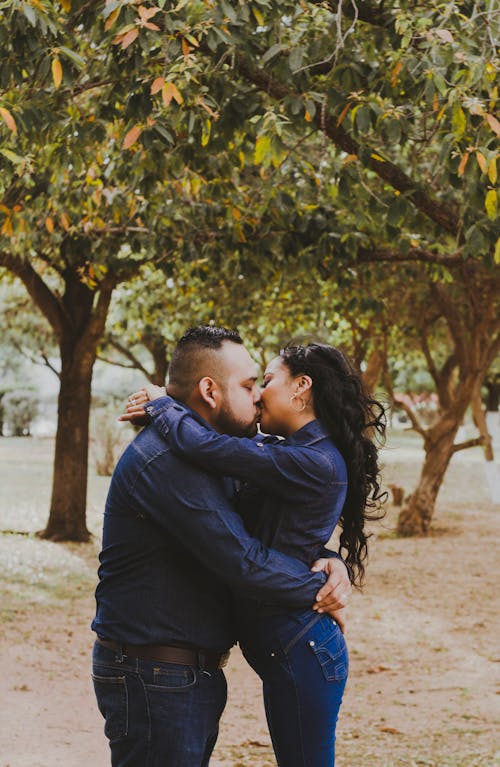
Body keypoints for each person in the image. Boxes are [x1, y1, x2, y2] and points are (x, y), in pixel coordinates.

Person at [92, 326, 351, 767]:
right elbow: (244, 561)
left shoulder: (218, 452)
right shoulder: (168, 462)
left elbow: (263, 523)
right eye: (251, 385)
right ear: (210, 391)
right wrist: (318, 592)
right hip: (156, 674)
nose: (258, 397)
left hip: (183, 674)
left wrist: (327, 559)